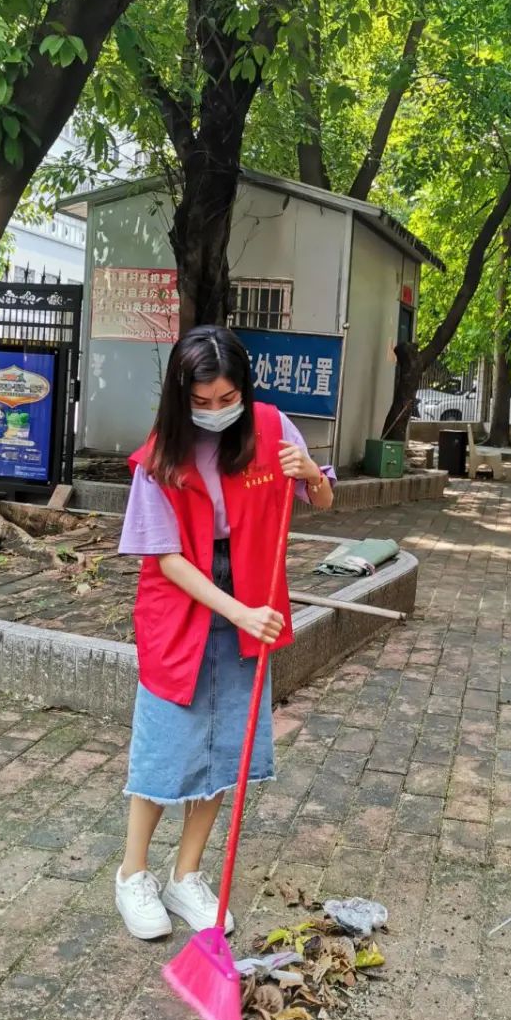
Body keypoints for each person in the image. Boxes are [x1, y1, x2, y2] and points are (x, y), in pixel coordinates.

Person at [115, 325, 334, 941]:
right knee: (167, 740)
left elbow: (319, 501)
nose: (216, 411)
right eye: (201, 401)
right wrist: (237, 611)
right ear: (180, 396)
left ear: (245, 390)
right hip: (182, 601)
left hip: (251, 590)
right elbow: (166, 560)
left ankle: (186, 876)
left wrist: (312, 474)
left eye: (227, 398)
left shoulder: (271, 426)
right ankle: (133, 874)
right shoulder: (160, 456)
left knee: (224, 742)